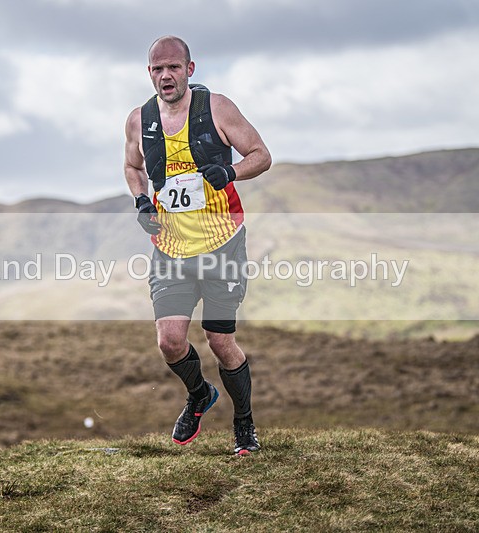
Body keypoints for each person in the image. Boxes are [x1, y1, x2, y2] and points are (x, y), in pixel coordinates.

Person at [123, 36, 271, 456]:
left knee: (219, 341)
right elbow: (132, 166)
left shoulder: (217, 108)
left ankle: (244, 426)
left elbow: (261, 155)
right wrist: (140, 199)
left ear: (190, 70)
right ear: (149, 73)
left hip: (222, 245)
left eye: (173, 67)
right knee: (169, 340)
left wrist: (229, 172)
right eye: (157, 69)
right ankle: (199, 394)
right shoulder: (139, 120)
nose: (165, 76)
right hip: (170, 248)